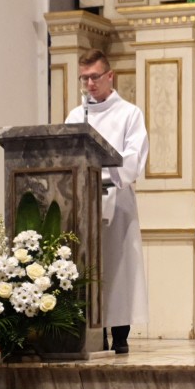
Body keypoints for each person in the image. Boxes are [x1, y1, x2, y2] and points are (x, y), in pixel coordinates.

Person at [65, 48, 149, 354]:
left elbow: (133, 158)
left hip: (117, 196)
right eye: (84, 78)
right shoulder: (77, 116)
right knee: (88, 267)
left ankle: (120, 335)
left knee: (118, 267)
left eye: (95, 77)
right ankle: (92, 332)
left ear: (110, 76)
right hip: (83, 199)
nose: (89, 84)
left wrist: (105, 167)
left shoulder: (129, 113)